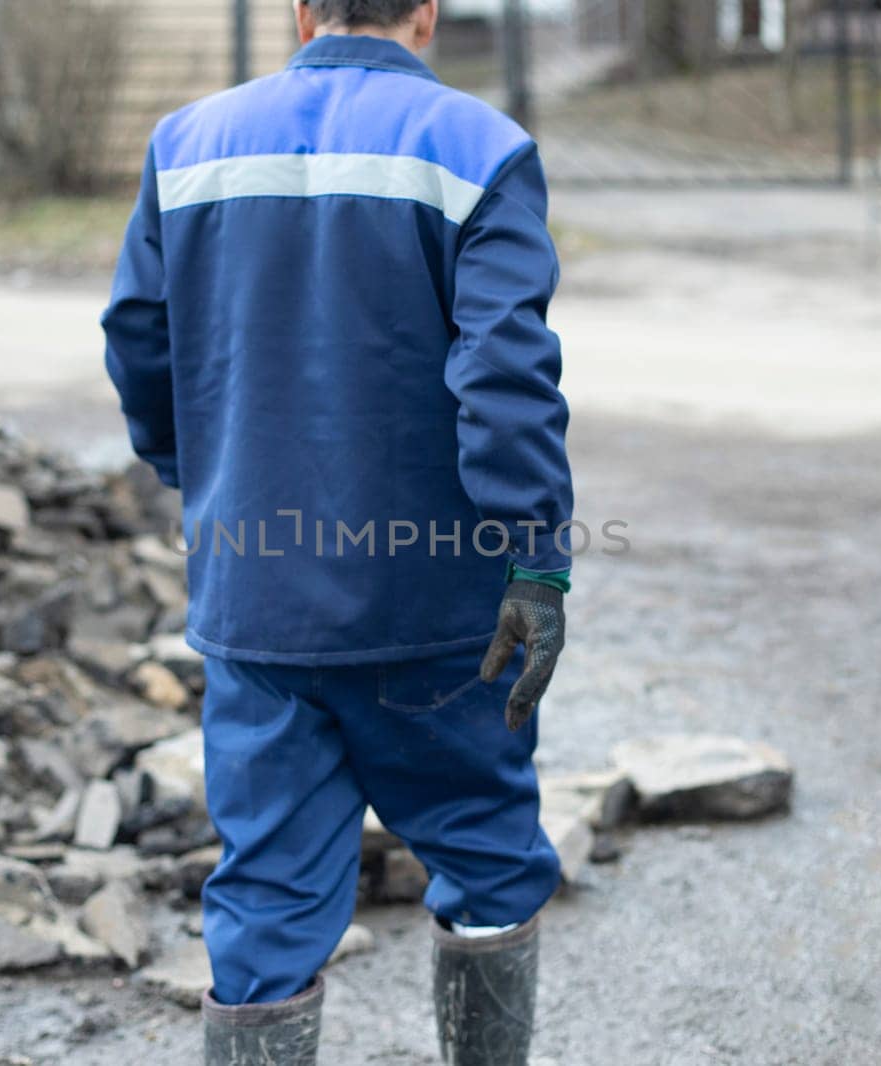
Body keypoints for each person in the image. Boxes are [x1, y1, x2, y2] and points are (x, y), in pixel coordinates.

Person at [102, 1, 573, 1062]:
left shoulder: (186, 145)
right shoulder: (479, 148)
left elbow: (138, 339)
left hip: (255, 602)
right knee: (491, 862)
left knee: (265, 893)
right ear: (429, 12)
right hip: (439, 614)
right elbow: (504, 375)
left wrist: (204, 476)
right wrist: (536, 560)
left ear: (302, 11)